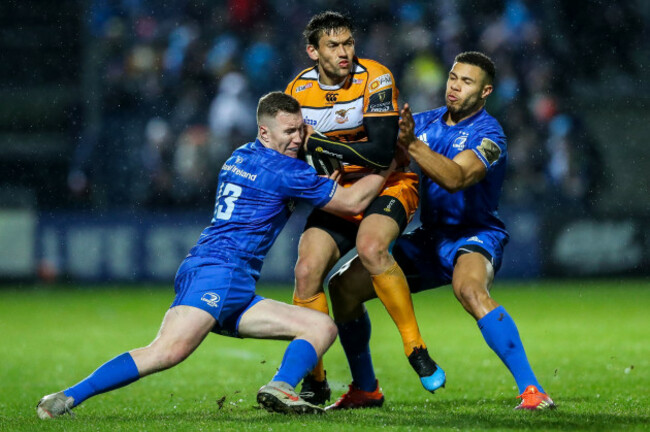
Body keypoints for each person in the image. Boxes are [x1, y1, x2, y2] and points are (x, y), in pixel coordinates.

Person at [36, 92, 395, 419]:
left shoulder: (240, 155)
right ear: (265, 133)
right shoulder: (285, 170)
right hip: (221, 272)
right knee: (167, 351)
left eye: (300, 130)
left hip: (224, 276)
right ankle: (67, 397)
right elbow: (353, 203)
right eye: (288, 131)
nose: (298, 139)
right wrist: (390, 162)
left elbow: (280, 185)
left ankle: (281, 387)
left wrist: (312, 177)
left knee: (319, 326)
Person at [327, 51, 556, 411]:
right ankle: (366, 389)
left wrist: (411, 143)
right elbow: (377, 143)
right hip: (430, 238)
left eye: (467, 82)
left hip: (475, 235)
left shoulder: (489, 135)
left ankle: (532, 390)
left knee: (469, 289)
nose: (455, 86)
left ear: (485, 92)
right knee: (342, 288)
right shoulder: (426, 120)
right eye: (453, 77)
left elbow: (456, 178)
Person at [285, 11, 442, 406]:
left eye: (349, 43)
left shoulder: (376, 76)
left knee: (372, 248)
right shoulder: (297, 90)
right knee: (306, 271)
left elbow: (381, 151)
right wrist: (312, 167)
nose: (344, 53)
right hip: (338, 193)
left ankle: (415, 348)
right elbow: (294, 151)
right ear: (312, 51)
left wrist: (322, 145)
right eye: (333, 46)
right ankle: (315, 380)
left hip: (389, 183)